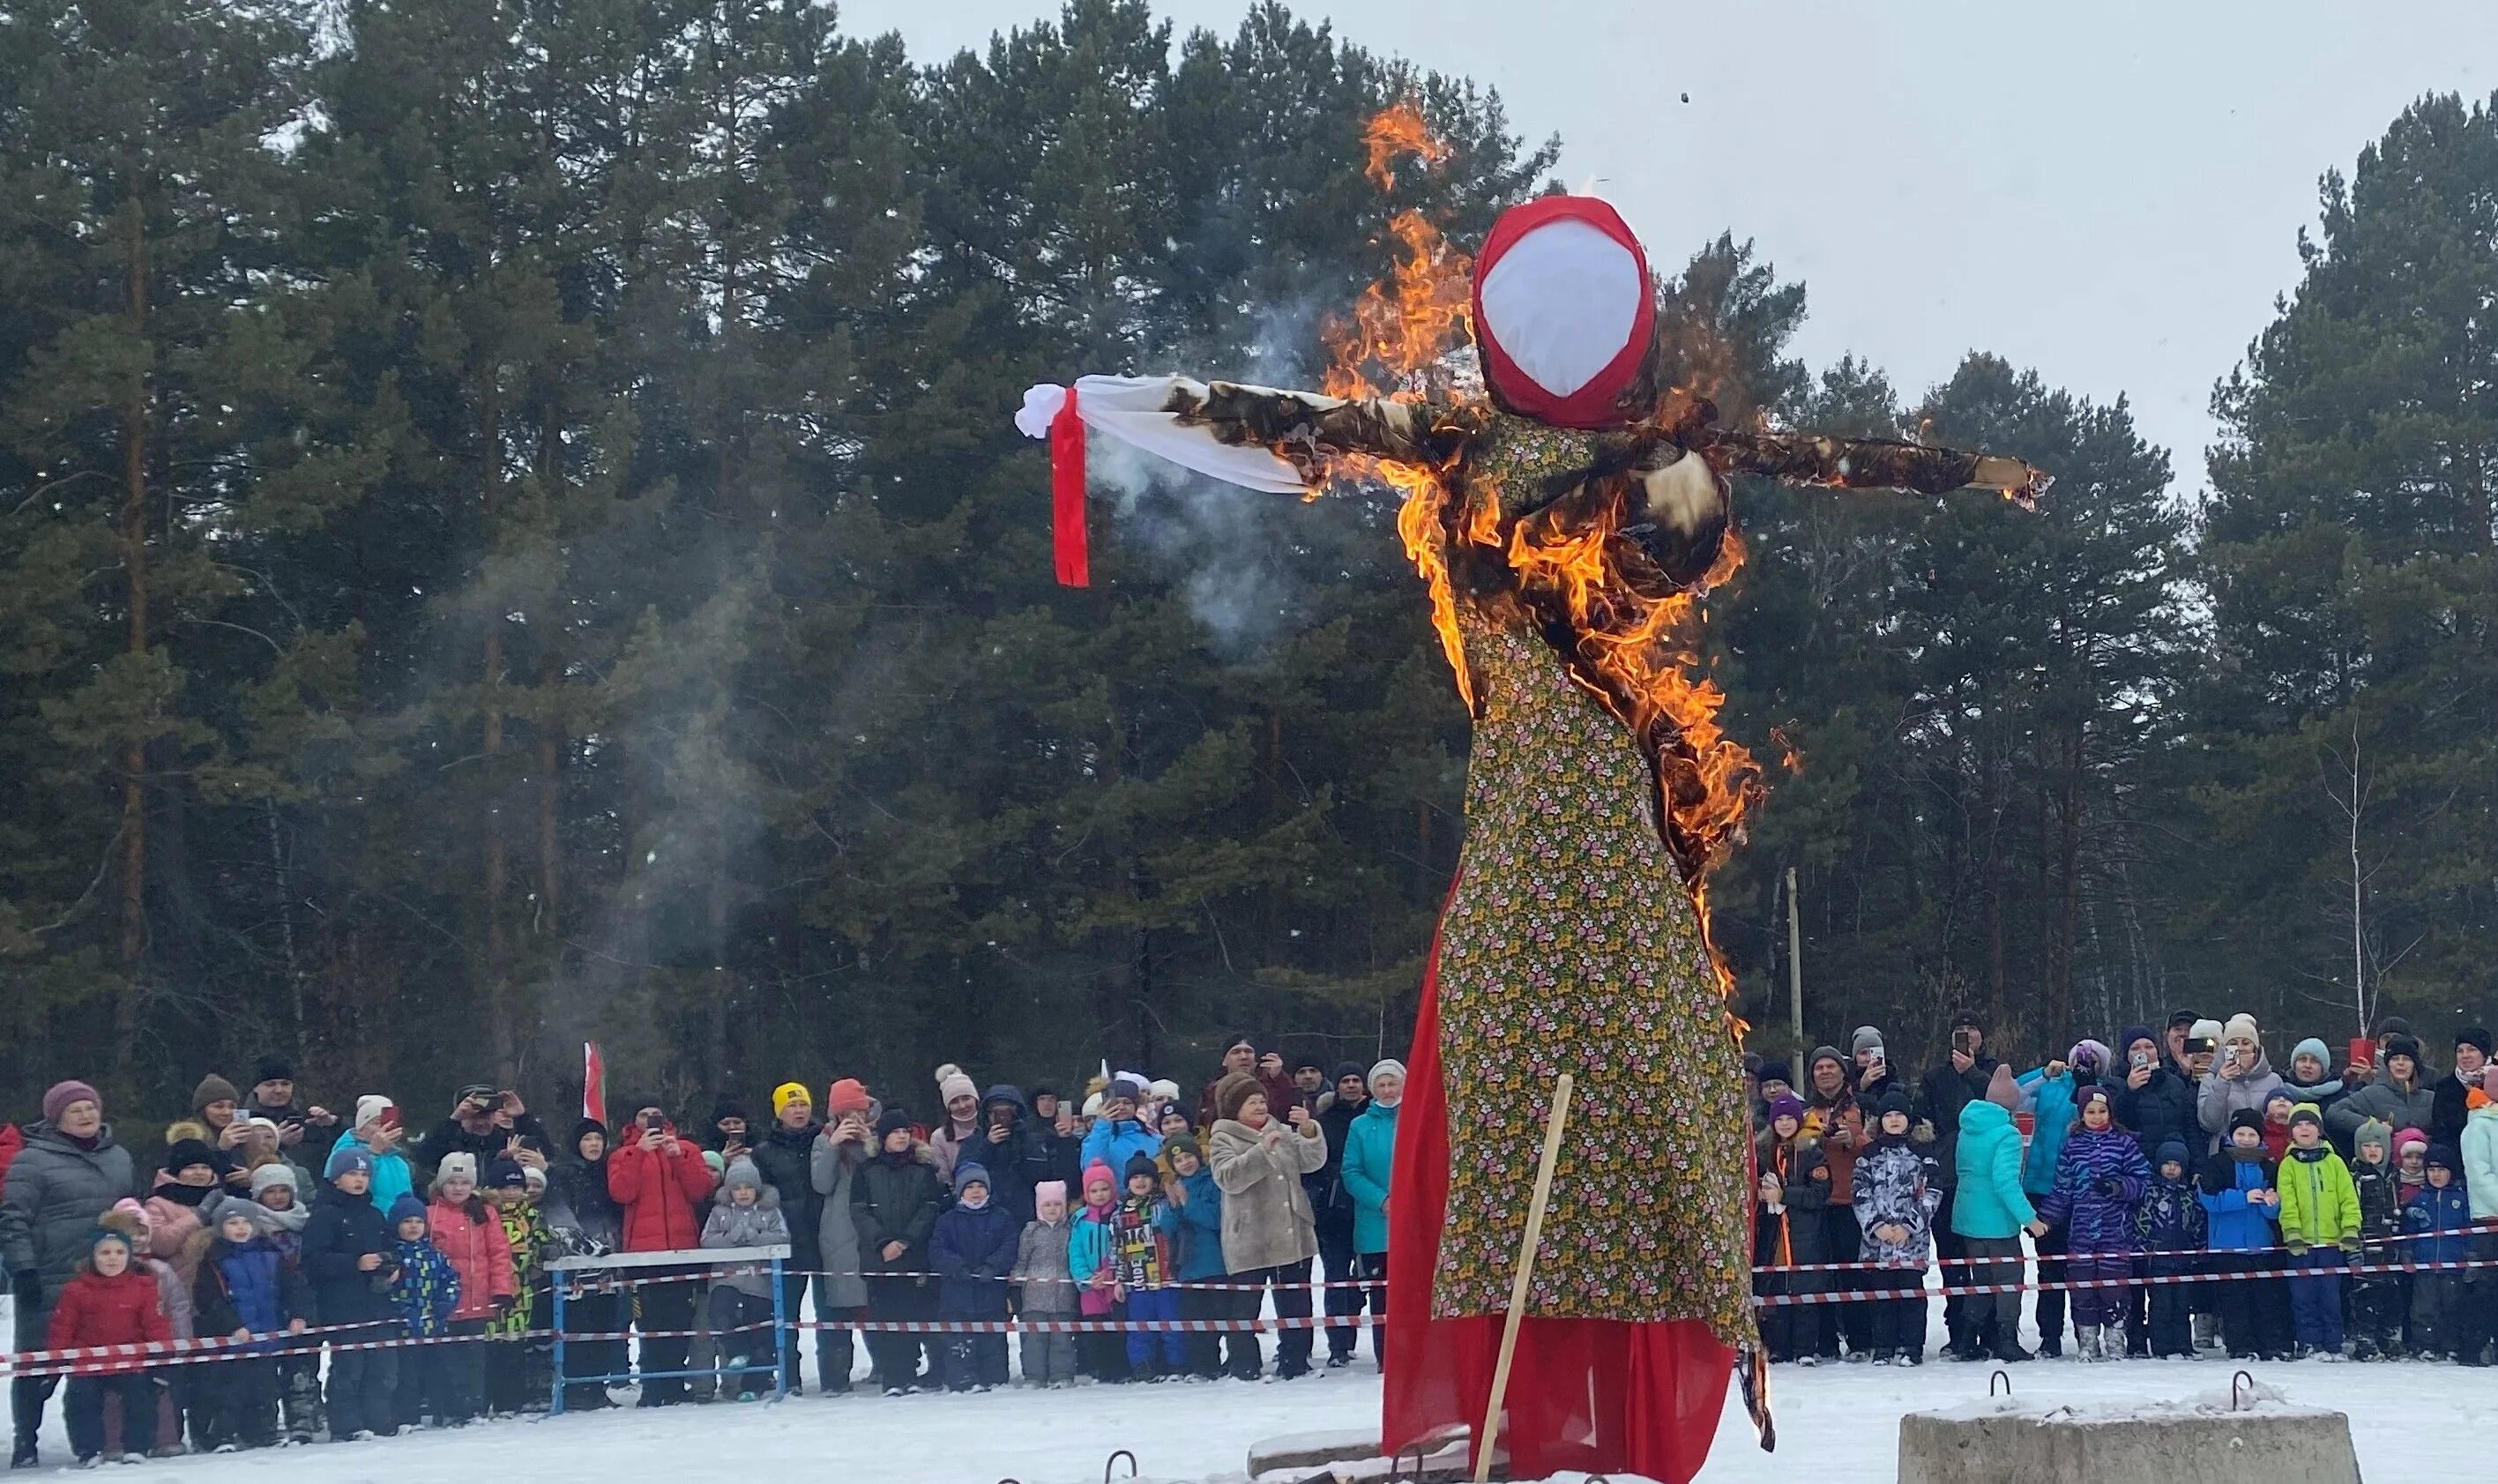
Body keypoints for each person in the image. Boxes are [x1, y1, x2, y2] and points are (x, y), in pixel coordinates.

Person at [4, 1080, 138, 1468]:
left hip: (105, 1276)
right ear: (56, 1118)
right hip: (49, 1277)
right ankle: (26, 1440)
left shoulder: (119, 1157)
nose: (85, 1115)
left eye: (90, 1108)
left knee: (94, 1367)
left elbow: (132, 1210)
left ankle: (91, 1442)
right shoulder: (31, 1161)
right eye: (75, 1110)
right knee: (37, 1366)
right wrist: (23, 1268)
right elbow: (14, 1220)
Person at [1207, 1073, 1327, 1381]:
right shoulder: (1223, 1137)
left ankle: (1296, 1361)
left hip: (1291, 1232)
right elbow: (1228, 1178)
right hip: (1250, 1235)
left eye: (1262, 1100)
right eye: (1252, 1102)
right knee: (1245, 1304)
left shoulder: (1282, 1131)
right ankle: (1244, 1366)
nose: (1260, 1106)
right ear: (1236, 1107)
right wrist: (1262, 1152)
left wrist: (1310, 1131)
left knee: (1296, 1301)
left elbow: (1311, 1162)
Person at [2027, 1085, 2144, 1361]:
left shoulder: (2124, 1143)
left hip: (2115, 1229)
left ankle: (2116, 1340)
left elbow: (2142, 1181)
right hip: (2081, 1230)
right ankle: (2087, 1341)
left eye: (2102, 1111)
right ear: (2081, 1115)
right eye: (2090, 1112)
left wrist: (2118, 1186)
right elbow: (2062, 1189)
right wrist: (2045, 1218)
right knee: (2082, 1287)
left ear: (2110, 1113)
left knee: (2114, 1286)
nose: (2096, 1116)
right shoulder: (2073, 1145)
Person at [607, 1105, 714, 1406]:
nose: (649, 1120)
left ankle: (675, 1385)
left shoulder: (687, 1149)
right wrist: (639, 1153)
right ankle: (653, 1386)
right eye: (643, 1114)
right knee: (649, 1322)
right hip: (643, 1253)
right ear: (635, 1121)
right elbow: (621, 1193)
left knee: (681, 1320)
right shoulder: (622, 1154)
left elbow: (699, 1190)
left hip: (682, 1249)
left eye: (655, 1114)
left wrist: (677, 1157)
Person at [187, 1204, 309, 1452]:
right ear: (221, 1228)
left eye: (246, 1223)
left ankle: (263, 1431)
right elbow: (209, 1298)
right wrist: (232, 1325)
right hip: (233, 1339)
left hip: (267, 1334)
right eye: (233, 1223)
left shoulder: (272, 1254)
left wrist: (298, 1314)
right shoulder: (214, 1259)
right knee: (230, 1389)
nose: (241, 1228)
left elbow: (293, 1287)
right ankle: (222, 1434)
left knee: (265, 1387)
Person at [298, 1147, 400, 1441]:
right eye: (352, 1174)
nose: (359, 1180)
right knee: (349, 1366)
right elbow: (312, 1261)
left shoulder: (374, 1214)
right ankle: (347, 1423)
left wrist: (392, 1266)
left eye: (364, 1175)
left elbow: (390, 1246)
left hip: (377, 1301)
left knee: (381, 1365)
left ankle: (379, 1419)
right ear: (336, 1178)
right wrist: (354, 1264)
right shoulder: (324, 1215)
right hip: (342, 1303)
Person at [46, 1225, 167, 1465]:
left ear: (129, 1256)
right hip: (88, 1363)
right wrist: (55, 1361)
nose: (113, 1258)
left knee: (141, 1399)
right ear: (92, 1256)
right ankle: (88, 1450)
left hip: (131, 1359)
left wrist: (162, 1355)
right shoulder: (76, 1290)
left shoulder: (144, 1287)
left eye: (120, 1252)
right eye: (105, 1253)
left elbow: (155, 1323)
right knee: (80, 1401)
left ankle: (137, 1446)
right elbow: (63, 1326)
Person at [1918, 1012, 2000, 1358]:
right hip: (1947, 1178)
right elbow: (1920, 1120)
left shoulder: (1995, 1071)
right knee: (1952, 1262)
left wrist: (1972, 1073)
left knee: (1987, 1262)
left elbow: (2003, 1103)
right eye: (1959, 1032)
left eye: (1972, 1031)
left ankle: (1993, 1333)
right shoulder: (1935, 1076)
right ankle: (1960, 1333)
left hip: (1984, 1181)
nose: (1966, 1036)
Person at [2014, 1041, 2103, 1357]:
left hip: (2085, 1194)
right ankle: (2049, 1337)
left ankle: (2087, 1336)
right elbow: (2013, 1094)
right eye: (2079, 1058)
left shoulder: (2102, 1093)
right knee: (2049, 1268)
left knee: (2083, 1268)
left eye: (2091, 1059)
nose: (2083, 1063)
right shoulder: (2051, 1086)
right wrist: (2042, 1072)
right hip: (2043, 1186)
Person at [852, 1107, 943, 1395]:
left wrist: (905, 1241)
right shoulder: (866, 1169)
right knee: (884, 1318)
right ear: (883, 1137)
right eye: (895, 1132)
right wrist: (882, 1243)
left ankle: (911, 1373)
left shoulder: (924, 1169)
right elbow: (859, 1210)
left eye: (905, 1131)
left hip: (914, 1254)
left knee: (915, 1315)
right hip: (879, 1258)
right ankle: (893, 1375)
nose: (901, 1137)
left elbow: (929, 1208)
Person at [421, 1152, 513, 1425]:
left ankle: (474, 1405)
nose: (458, 1188)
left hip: (477, 1300)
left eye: (463, 1182)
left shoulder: (485, 1213)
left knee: (474, 1357)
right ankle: (445, 1407)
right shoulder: (430, 1214)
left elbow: (499, 1253)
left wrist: (502, 1290)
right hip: (443, 1303)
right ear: (441, 1184)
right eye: (452, 1182)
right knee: (445, 1358)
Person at [542, 1118, 625, 1411]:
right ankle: (577, 1387)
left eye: (599, 1139)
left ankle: (597, 1384)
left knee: (605, 1326)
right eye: (588, 1139)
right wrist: (589, 1248)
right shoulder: (562, 1173)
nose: (594, 1145)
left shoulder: (608, 1172)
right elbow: (558, 1217)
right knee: (578, 1327)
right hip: (577, 1266)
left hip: (610, 1267)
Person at [1851, 1090, 1938, 1366]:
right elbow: (1859, 1192)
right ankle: (1884, 1347)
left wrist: (1909, 1226)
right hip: (1878, 1243)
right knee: (1881, 1297)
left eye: (1899, 1114)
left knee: (1911, 1294)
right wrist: (1876, 1226)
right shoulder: (1869, 1154)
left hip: (1911, 1240)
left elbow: (1932, 1193)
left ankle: (1912, 1347)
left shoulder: (1923, 1153)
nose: (1894, 1119)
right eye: (1888, 1115)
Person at [1949, 1082, 2034, 1361]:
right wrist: (2030, 1219)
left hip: (1969, 1219)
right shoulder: (2007, 1134)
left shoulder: (1969, 1128)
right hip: (1997, 1221)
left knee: (1982, 1280)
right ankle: (2007, 1340)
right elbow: (2006, 1182)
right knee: (2009, 1279)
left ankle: (1966, 1339)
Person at [747, 1083, 822, 1394]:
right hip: (787, 1242)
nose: (799, 1111)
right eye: (791, 1106)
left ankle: (836, 1377)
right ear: (780, 1112)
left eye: (803, 1105)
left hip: (823, 1237)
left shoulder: (823, 1141)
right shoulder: (764, 1152)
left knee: (833, 1312)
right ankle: (789, 1378)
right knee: (786, 1316)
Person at [2199, 1108, 2289, 1361]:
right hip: (2227, 1246)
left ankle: (2268, 1344)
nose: (2246, 1139)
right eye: (2241, 1133)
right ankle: (2239, 1346)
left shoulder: (2268, 1167)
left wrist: (2271, 1203)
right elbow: (2208, 1199)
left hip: (2260, 1245)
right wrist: (2243, 1197)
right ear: (2232, 1135)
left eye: (2251, 1134)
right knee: (2234, 1301)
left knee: (2264, 1299)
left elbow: (2274, 1214)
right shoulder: (2217, 1163)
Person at [699, 1156, 791, 1401]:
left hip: (759, 1283)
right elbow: (707, 1241)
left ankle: (754, 1386)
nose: (743, 1193)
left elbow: (782, 1237)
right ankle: (737, 1351)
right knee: (720, 1313)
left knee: (761, 1332)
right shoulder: (719, 1213)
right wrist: (732, 1237)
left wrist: (754, 1236)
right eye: (737, 1188)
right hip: (726, 1279)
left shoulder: (770, 1212)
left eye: (748, 1187)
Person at [2273, 1104, 2358, 1360]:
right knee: (2303, 1296)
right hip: (2301, 1244)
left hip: (2332, 1243)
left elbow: (2348, 1198)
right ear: (2291, 1132)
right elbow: (2287, 1201)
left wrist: (2350, 1227)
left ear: (2319, 1129)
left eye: (2310, 1123)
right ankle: (2309, 1342)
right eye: (2298, 1124)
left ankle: (2333, 1342)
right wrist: (2292, 1232)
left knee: (2331, 1296)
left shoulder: (2335, 1163)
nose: (2304, 1128)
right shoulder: (2288, 1165)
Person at [808, 1084, 876, 1394]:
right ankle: (835, 1377)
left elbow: (878, 1175)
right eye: (847, 1113)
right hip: (837, 1229)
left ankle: (887, 1366)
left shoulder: (875, 1137)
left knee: (875, 1301)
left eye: (859, 1112)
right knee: (837, 1304)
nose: (854, 1118)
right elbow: (821, 1184)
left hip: (870, 1226)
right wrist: (834, 1145)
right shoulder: (823, 1140)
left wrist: (867, 1142)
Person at [1749, 1096, 1827, 1363]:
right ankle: (1779, 1346)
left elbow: (1819, 1194)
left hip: (1803, 1233)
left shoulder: (1811, 1151)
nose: (1784, 1123)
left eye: (1789, 1118)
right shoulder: (1764, 1152)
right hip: (1773, 1232)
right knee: (1775, 1290)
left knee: (1804, 1290)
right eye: (1779, 1119)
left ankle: (1805, 1348)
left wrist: (1784, 1195)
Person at [1801, 1046, 1865, 1361]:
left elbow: (1877, 1144)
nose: (1825, 1072)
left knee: (1852, 1273)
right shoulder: (1804, 1111)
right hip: (1815, 1203)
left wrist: (1853, 1141)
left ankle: (1859, 1339)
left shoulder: (1860, 1106)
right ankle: (1825, 1340)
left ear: (1842, 1071)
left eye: (1830, 1066)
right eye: (1818, 1068)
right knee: (1819, 1274)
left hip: (1850, 1200)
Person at [1338, 1060, 1401, 1370]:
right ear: (1372, 1089)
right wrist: (1382, 1200)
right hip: (1376, 1226)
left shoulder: (1418, 1118)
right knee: (1382, 1298)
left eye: (1393, 1083)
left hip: (1415, 1224)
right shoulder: (1360, 1126)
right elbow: (1351, 1172)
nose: (1388, 1090)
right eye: (1382, 1085)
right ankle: (1387, 1358)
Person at [481, 1159, 552, 1414]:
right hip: (488, 1287)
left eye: (516, 1188)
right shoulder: (484, 1212)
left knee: (515, 1346)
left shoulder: (531, 1215)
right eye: (505, 1188)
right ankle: (485, 1397)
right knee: (489, 1346)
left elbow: (542, 1239)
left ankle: (511, 1400)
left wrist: (546, 1250)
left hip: (521, 1289)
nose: (511, 1193)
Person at [1156, 1138, 1230, 1380]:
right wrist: (1175, 1207)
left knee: (1220, 1318)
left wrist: (1189, 1202)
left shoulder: (1212, 1182)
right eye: (1178, 1160)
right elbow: (1167, 1228)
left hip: (1213, 1263)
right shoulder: (1176, 1187)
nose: (1185, 1163)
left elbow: (1215, 1219)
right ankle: (1203, 1366)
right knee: (1196, 1322)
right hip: (1187, 1266)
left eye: (1188, 1156)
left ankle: (1229, 1363)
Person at [384, 1193, 460, 1427]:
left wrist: (446, 1302)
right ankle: (407, 1415)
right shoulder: (393, 1257)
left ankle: (444, 1411)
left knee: (439, 1370)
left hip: (434, 1326)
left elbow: (451, 1280)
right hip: (405, 1329)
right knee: (407, 1375)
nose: (413, 1227)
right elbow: (387, 1291)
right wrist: (402, 1311)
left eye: (418, 1221)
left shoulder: (435, 1255)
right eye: (407, 1222)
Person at [1311, 1061, 1368, 1368]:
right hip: (1333, 1211)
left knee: (1365, 1277)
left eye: (1355, 1080)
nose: (1350, 1085)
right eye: (1344, 1080)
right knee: (1335, 1278)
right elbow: (1315, 1162)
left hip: (1368, 1209)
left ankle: (1356, 1332)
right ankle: (1338, 1344)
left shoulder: (1374, 1116)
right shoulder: (1325, 1121)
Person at [2133, 1139, 2203, 1359]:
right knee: (2161, 1305)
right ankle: (2162, 1347)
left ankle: (2183, 1345)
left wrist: (2198, 1247)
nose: (2172, 1169)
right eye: (2167, 1164)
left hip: (2184, 1258)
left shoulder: (2189, 1195)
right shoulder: (2151, 1193)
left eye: (2177, 1164)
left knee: (2183, 1304)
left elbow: (2197, 1222)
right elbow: (2141, 1222)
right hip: (2158, 1259)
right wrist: (2143, 1247)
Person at [2404, 1145, 2475, 1360]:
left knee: (2452, 1306)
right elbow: (2409, 1230)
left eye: (2442, 1170)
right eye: (2432, 1170)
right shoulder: (2419, 1199)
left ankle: (2451, 1344)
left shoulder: (2462, 1200)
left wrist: (2471, 1256)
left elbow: (2470, 1229)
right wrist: (2407, 1252)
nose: (2436, 1175)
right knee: (2424, 1308)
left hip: (2453, 1264)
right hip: (2425, 1264)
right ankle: (2425, 1344)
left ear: (2451, 1172)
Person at [1011, 1180, 1081, 1387]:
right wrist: (1015, 1286)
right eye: (1047, 1205)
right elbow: (1022, 1260)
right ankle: (1034, 1376)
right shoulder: (1031, 1231)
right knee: (1034, 1339)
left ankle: (1061, 1375)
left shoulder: (1070, 1230)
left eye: (1057, 1204)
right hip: (1034, 1295)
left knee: (1061, 1339)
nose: (1052, 1209)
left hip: (1063, 1294)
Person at [2345, 1118, 2404, 1360]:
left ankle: (2388, 1337)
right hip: (2367, 1241)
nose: (2372, 1151)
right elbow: (2351, 1208)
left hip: (2392, 1242)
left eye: (2377, 1146)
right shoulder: (2357, 1175)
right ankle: (2365, 1339)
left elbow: (2398, 1203)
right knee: (2366, 1292)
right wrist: (2355, 1241)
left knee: (2391, 1291)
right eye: (2366, 1146)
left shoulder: (2393, 1175)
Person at [1069, 1160, 1129, 1383]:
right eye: (1094, 1190)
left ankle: (1120, 1368)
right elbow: (1075, 1254)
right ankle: (1099, 1368)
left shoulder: (1122, 1214)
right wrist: (1086, 1278)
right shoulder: (1081, 1220)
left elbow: (1123, 1246)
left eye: (1104, 1189)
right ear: (1086, 1193)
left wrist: (1110, 1274)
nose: (1100, 1194)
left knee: (1118, 1326)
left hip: (1114, 1281)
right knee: (1095, 1328)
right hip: (1091, 1285)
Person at [2329, 1032, 2436, 1150]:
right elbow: (2334, 1112)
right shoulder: (2372, 1094)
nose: (2400, 1063)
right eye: (2395, 1059)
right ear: (2388, 1065)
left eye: (2406, 1059)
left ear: (2415, 1065)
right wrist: (2373, 1126)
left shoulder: (2431, 1098)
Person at [415, 1085, 548, 1177]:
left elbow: (546, 1154)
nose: (480, 1123)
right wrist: (453, 1121)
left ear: (495, 1115)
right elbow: (422, 1158)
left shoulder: (508, 1141)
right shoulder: (448, 1142)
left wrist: (522, 1117)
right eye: (472, 1117)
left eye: (486, 1117)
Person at [2197, 1013, 2284, 1152]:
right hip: (2225, 1156)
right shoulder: (2212, 1079)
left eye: (2246, 1043)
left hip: (2265, 1156)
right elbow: (2209, 1124)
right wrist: (2222, 1082)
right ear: (2225, 1049)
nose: (2240, 1048)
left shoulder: (2274, 1080)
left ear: (2255, 1048)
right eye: (2233, 1044)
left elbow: (2283, 1123)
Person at [241, 1060, 341, 1166]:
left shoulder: (307, 1117)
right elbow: (237, 1160)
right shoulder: (243, 1121)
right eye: (270, 1085)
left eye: (285, 1084)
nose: (279, 1090)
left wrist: (332, 1124)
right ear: (255, 1088)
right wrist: (275, 1142)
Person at [328, 1098, 414, 1215]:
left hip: (396, 1227)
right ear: (361, 1127)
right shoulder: (345, 1151)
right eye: (377, 1123)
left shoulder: (398, 1161)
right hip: (363, 1223)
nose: (384, 1128)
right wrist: (374, 1151)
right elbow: (342, 1187)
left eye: (389, 1122)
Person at [1197, 1037, 1295, 1132]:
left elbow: (1286, 1113)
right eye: (1236, 1052)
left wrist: (1278, 1078)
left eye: (1248, 1052)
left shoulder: (1272, 1084)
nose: (1244, 1057)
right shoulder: (1212, 1092)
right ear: (1224, 1061)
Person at [1081, 1077, 1162, 1176]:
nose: (1121, 1107)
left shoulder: (1154, 1138)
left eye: (1127, 1102)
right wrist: (1102, 1125)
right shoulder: (1093, 1138)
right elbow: (1091, 1169)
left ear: (1135, 1106)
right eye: (1116, 1103)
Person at [2279, 1039, 2350, 1141]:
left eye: (2314, 1061)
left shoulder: (2339, 1096)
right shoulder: (2281, 1093)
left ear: (2323, 1068)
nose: (2307, 1065)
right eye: (2302, 1059)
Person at [2432, 1028, 2492, 1147]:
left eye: (2472, 1050)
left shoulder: (2494, 1083)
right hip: (2456, 1156)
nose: (2465, 1056)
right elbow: (2440, 1130)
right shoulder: (2445, 1087)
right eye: (2460, 1051)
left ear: (2484, 1054)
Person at [928, 1066, 982, 1183]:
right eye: (954, 1102)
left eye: (966, 1098)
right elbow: (944, 1180)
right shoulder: (939, 1137)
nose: (962, 1106)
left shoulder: (990, 1128)